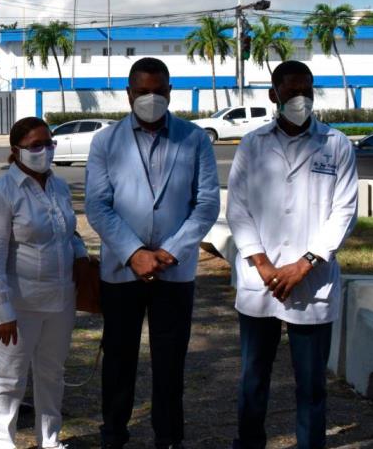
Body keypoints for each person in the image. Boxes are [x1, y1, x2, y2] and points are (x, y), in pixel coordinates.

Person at [85, 57, 219, 449]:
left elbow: (206, 204)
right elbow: (98, 206)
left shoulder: (194, 139)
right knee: (118, 359)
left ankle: (169, 437)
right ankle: (113, 435)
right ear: (128, 94)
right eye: (143, 92)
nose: (151, 98)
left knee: (170, 361)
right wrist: (134, 254)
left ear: (170, 92)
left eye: (158, 91)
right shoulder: (105, 142)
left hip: (174, 273)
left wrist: (169, 253)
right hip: (121, 271)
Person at [227, 61, 358, 449]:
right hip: (261, 280)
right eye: (292, 91)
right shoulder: (252, 143)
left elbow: (345, 212)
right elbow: (238, 208)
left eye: (307, 90)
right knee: (253, 378)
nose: (301, 98)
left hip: (312, 280)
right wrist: (264, 265)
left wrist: (304, 264)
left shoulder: (336, 144)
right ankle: (249, 443)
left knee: (312, 383)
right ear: (274, 95)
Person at [0, 117, 90, 449]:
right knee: (10, 376)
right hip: (19, 305)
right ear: (16, 151)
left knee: (52, 373)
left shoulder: (59, 186)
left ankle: (49, 439)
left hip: (61, 299)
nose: (44, 151)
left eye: (48, 143)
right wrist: (3, 312)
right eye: (35, 146)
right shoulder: (0, 194)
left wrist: (81, 255)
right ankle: (3, 442)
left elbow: (68, 232)